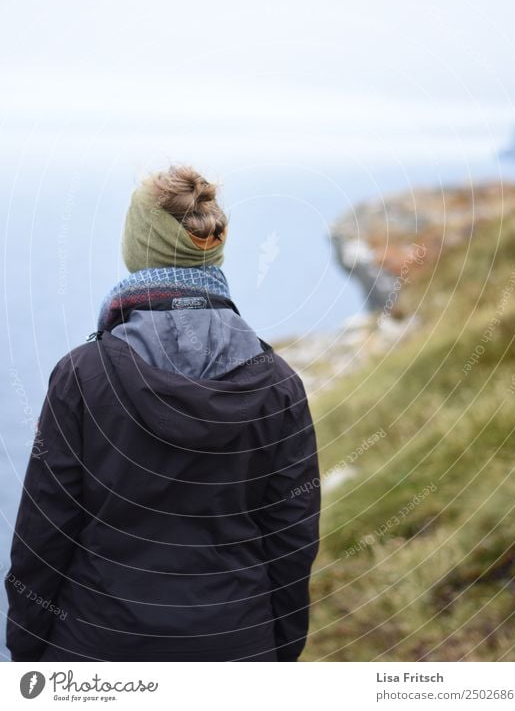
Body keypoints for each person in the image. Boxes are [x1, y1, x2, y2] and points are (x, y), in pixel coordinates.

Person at [4, 164, 321, 662]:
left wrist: (26, 649)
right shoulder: (280, 385)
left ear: (137, 250)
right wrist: (278, 651)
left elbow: (44, 534)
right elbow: (293, 538)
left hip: (96, 651)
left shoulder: (83, 376)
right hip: (236, 644)